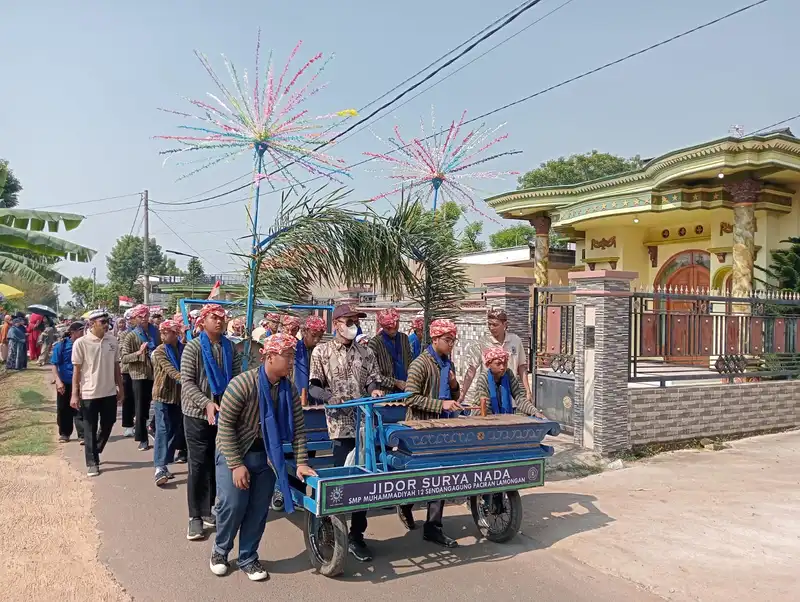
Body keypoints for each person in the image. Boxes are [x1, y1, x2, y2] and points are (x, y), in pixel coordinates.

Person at [211, 333, 316, 581]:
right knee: (233, 504)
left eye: (293, 356)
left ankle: (248, 556)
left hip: (267, 455)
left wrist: (301, 462)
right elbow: (225, 427)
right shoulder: (242, 384)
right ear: (269, 357)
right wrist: (236, 465)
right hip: (234, 451)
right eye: (287, 356)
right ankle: (220, 550)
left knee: (259, 510)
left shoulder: (287, 389)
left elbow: (298, 428)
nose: (291, 362)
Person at [309, 304, 384, 562]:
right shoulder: (322, 351)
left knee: (363, 480)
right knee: (341, 482)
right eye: (349, 320)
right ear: (336, 324)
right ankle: (334, 528)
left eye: (356, 320)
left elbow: (373, 380)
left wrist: (374, 390)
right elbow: (314, 386)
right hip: (339, 426)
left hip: (364, 425)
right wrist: (329, 397)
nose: (353, 324)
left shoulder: (366, 352)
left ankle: (357, 536)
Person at [181, 304, 242, 541]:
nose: (219, 321)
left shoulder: (229, 347)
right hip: (196, 414)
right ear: (203, 321)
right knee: (198, 465)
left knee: (219, 462)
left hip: (223, 414)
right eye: (213, 318)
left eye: (221, 318)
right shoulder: (193, 347)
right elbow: (187, 382)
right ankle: (195, 516)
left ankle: (212, 510)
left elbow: (236, 379)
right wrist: (206, 402)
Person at [401, 318, 463, 548]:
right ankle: (405, 506)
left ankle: (433, 527)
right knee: (414, 479)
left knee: (441, 476)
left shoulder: (449, 364)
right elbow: (409, 398)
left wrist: (454, 387)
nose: (451, 345)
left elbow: (454, 397)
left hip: (442, 429)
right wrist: (440, 405)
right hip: (418, 429)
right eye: (448, 340)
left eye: (453, 341)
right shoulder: (420, 364)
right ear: (435, 339)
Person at [71, 310, 123, 477]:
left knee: (109, 422)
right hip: (89, 393)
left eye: (107, 321)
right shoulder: (81, 343)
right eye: (102, 322)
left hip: (108, 392)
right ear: (92, 323)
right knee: (90, 428)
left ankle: (96, 448)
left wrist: (120, 388)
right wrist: (74, 393)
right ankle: (92, 462)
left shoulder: (113, 341)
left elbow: (116, 367)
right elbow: (76, 371)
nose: (106, 324)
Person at [459, 308, 532, 407]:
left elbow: (522, 367)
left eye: (495, 325)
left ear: (505, 325)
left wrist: (527, 390)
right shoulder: (482, 343)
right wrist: (462, 394)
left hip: (509, 394)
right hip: (489, 395)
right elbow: (472, 369)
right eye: (489, 324)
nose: (491, 328)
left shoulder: (515, 341)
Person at [120, 305, 160, 451]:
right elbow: (124, 358)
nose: (143, 319)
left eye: (146, 316)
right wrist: (139, 353)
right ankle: (142, 438)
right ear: (135, 318)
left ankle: (153, 429)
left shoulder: (155, 331)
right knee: (141, 408)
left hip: (155, 372)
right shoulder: (131, 335)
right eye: (140, 317)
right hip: (139, 374)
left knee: (157, 405)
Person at [151, 319, 185, 486]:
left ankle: (165, 461)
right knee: (163, 430)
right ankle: (159, 467)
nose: (163, 335)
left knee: (174, 430)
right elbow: (171, 370)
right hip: (162, 395)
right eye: (162, 332)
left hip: (178, 397)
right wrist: (187, 380)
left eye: (167, 332)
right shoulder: (159, 351)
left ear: (175, 333)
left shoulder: (183, 349)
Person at [474, 346, 544, 417]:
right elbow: (484, 405)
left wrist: (534, 412)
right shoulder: (483, 378)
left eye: (504, 363)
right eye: (498, 364)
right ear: (489, 365)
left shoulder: (508, 374)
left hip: (504, 416)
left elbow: (519, 397)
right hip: (486, 416)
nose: (502, 367)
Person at [52, 322, 86, 443]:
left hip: (80, 382)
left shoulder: (85, 345)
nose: (83, 333)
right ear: (73, 333)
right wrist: (58, 381)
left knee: (80, 409)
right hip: (65, 382)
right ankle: (65, 433)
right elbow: (54, 364)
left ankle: (82, 434)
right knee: (63, 408)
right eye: (81, 331)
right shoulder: (61, 346)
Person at [368, 308, 412, 394]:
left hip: (405, 390)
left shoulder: (404, 338)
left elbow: (410, 362)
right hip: (385, 393)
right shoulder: (375, 343)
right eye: (389, 328)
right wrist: (395, 382)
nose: (393, 330)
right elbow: (373, 374)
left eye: (395, 327)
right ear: (382, 326)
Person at [117, 315, 136, 438]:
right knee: (128, 398)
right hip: (128, 370)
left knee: (142, 400)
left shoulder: (150, 331)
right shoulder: (124, 334)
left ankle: (139, 424)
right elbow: (123, 353)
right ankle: (128, 426)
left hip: (144, 371)